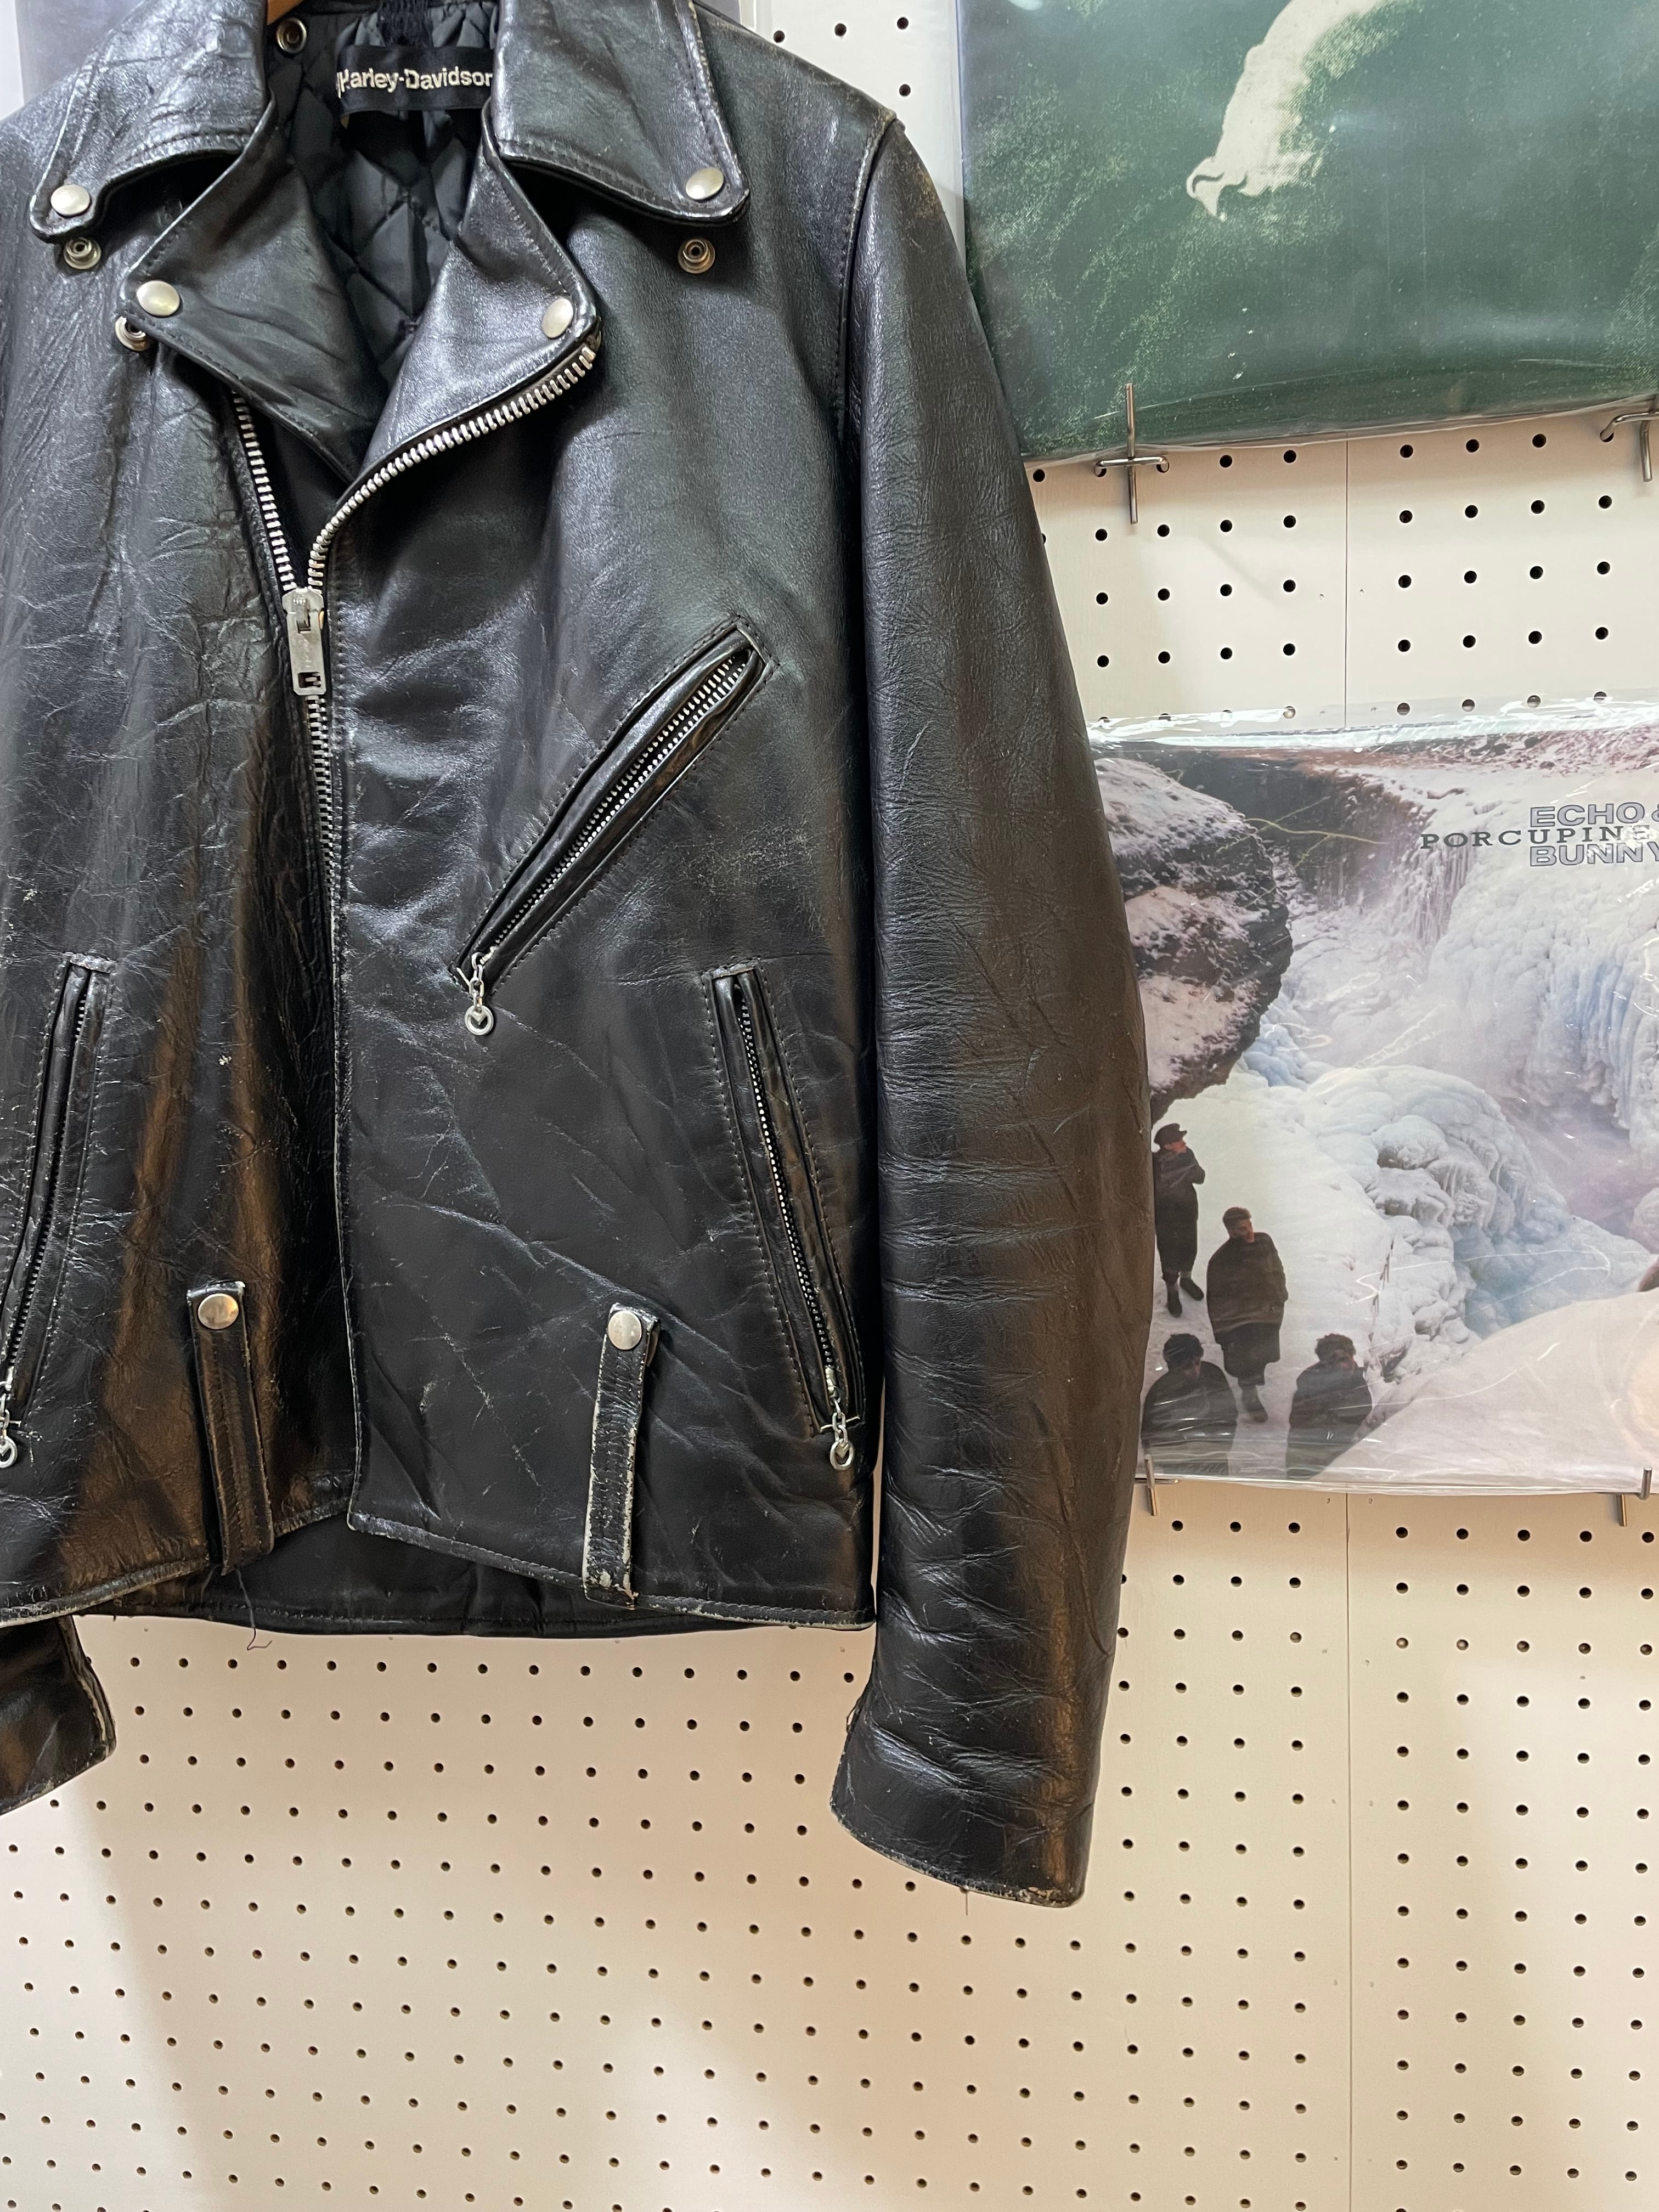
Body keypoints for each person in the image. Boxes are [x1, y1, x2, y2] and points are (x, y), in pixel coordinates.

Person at [1205, 1206, 1287, 1421]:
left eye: (1249, 1225)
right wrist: (1224, 1334)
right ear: (1231, 1232)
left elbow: (1277, 1269)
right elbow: (1216, 1301)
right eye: (1242, 1229)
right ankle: (1250, 1394)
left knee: (1264, 1354)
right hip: (1241, 1323)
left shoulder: (1265, 1242)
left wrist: (1280, 1296)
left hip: (1267, 1316)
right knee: (1246, 1360)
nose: (1250, 1231)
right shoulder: (1221, 1261)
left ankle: (1254, 1379)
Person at [1141, 1332, 1238, 1477]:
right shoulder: (1160, 1393)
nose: (1195, 1371)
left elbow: (1229, 1416)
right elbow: (1151, 1441)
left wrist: (1215, 1449)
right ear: (1173, 1367)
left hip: (1214, 1462)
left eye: (1197, 1362)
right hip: (1179, 1468)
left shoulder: (1213, 1376)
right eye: (1187, 1367)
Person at [1285, 1334, 1373, 1480]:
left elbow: (1361, 1420)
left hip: (1345, 1461)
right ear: (1325, 1364)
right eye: (1334, 1361)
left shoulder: (1357, 1382)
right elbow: (1303, 1435)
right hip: (1310, 1464)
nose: (1344, 1366)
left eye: (1346, 1358)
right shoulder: (1310, 1386)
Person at [1152, 1122, 1207, 1316]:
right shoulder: (1154, 1163)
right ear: (1168, 1146)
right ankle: (1172, 1291)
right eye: (1179, 1141)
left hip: (1187, 1213)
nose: (1184, 1143)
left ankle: (1186, 1280)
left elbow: (1200, 1177)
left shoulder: (1187, 1155)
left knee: (1190, 1249)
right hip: (1165, 1218)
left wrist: (1190, 1169)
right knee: (1169, 1254)